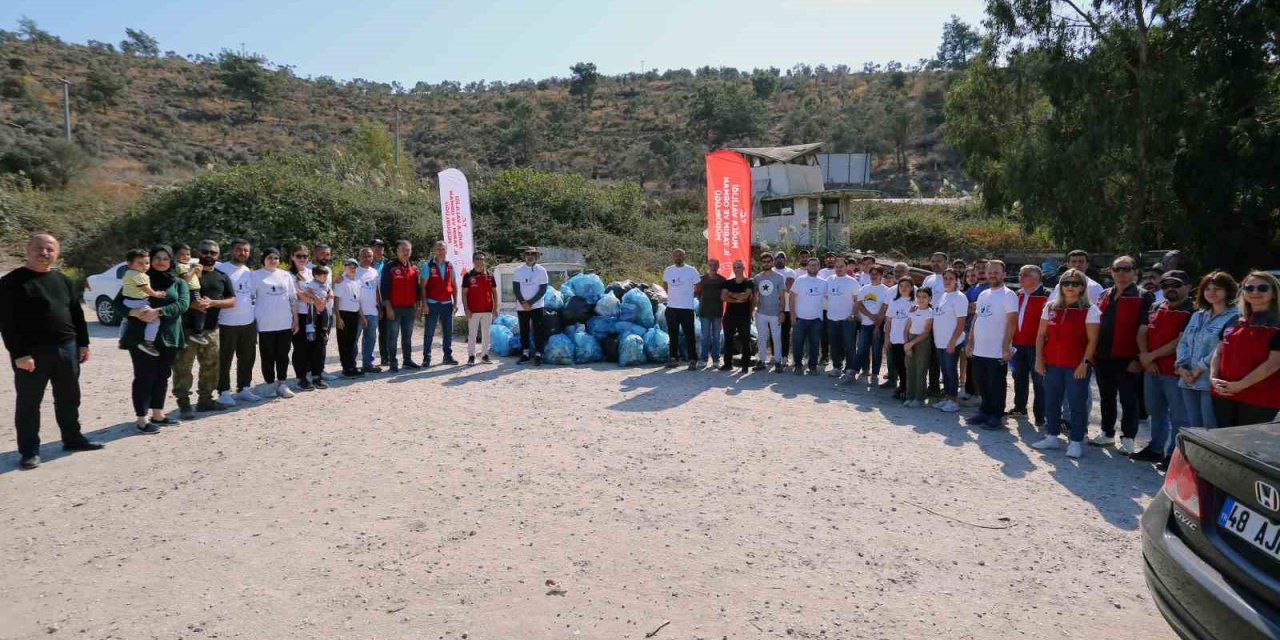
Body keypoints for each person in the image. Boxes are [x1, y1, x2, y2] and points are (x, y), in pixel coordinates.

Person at [0, 233, 103, 469]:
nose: (44, 253)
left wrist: (83, 343)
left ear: (56, 253)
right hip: (31, 354)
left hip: (67, 348)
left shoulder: (62, 280)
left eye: (50, 249)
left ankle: (72, 438)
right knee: (29, 403)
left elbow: (76, 313)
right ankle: (29, 451)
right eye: (39, 248)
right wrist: (19, 354)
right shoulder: (11, 283)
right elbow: (7, 323)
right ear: (28, 249)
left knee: (69, 397)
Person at [1030, 268, 1100, 459]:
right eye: (1066, 283)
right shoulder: (1050, 307)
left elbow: (1093, 340)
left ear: (1082, 287)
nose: (1070, 287)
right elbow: (1041, 335)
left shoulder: (1090, 310)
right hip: (1052, 364)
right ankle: (1052, 436)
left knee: (1077, 404)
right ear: (1060, 285)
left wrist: (1084, 364)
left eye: (1075, 283)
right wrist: (1038, 359)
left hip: (1076, 366)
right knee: (1051, 401)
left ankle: (1076, 441)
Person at [120, 245, 189, 433]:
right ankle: (142, 419)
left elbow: (182, 304)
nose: (161, 261)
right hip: (141, 338)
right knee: (144, 376)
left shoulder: (178, 282)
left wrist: (158, 312)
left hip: (169, 337)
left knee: (162, 375)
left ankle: (158, 414)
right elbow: (118, 303)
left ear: (171, 261)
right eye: (156, 257)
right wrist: (134, 312)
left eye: (165, 258)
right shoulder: (138, 278)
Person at [1091, 256, 1153, 453]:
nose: (1121, 273)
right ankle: (1107, 433)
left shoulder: (1144, 296)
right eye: (1117, 269)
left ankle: (1128, 437)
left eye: (1126, 269)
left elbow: (1146, 331)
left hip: (1128, 358)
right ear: (1111, 272)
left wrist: (1138, 358)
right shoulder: (1104, 295)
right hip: (1103, 356)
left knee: (1129, 400)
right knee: (1106, 397)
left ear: (1135, 272)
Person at [1131, 270, 1195, 464]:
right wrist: (1145, 358)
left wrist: (1150, 356)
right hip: (1151, 369)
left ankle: (1175, 456)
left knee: (1179, 416)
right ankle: (1156, 448)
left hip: (1175, 371)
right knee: (1155, 411)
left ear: (1188, 287)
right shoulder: (1156, 306)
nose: (1170, 289)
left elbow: (1180, 341)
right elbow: (1142, 332)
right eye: (1166, 285)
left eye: (1176, 285)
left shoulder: (1193, 310)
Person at [172, 240, 235, 419]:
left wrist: (213, 302)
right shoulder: (184, 272)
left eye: (213, 253)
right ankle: (184, 404)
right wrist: (192, 304)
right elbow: (173, 295)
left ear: (218, 256)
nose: (209, 255)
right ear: (198, 253)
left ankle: (205, 401)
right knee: (183, 368)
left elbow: (232, 301)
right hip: (187, 330)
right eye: (205, 251)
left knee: (211, 367)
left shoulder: (222, 276)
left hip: (211, 330)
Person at [1210, 271, 1280, 427]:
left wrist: (1240, 385)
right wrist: (1213, 378)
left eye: (1262, 288)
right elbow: (1218, 352)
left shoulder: (1277, 323)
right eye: (1249, 288)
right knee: (1225, 443)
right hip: (1224, 394)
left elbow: (1273, 364)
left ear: (1274, 293)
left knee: (1250, 449)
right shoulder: (1234, 320)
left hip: (1258, 398)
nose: (1255, 292)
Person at [1174, 271, 1239, 431]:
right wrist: (1181, 367)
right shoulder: (1197, 315)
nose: (1211, 292)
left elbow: (1222, 347)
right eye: (1207, 288)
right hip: (1188, 379)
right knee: (1194, 427)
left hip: (1209, 381)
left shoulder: (1236, 316)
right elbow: (1183, 343)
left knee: (1211, 428)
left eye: (1217, 288)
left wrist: (1199, 369)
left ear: (1228, 291)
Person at [966, 260, 1019, 430]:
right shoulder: (983, 294)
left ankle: (996, 414)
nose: (992, 274)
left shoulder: (1009, 294)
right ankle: (984, 410)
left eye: (996, 272)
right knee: (981, 382)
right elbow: (976, 318)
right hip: (980, 348)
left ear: (1003, 274)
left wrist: (1005, 347)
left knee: (996, 383)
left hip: (997, 350)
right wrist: (970, 342)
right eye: (990, 272)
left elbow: (1012, 322)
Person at [215, 238, 260, 407]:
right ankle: (223, 391)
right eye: (239, 250)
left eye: (246, 250)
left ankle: (244, 389)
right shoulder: (221, 269)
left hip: (248, 322)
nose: (242, 253)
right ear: (232, 251)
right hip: (227, 322)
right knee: (225, 358)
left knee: (247, 357)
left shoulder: (249, 271)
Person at [252, 248, 298, 399]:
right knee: (267, 355)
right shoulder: (256, 275)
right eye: (270, 257)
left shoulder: (285, 275)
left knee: (283, 355)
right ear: (263, 259)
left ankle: (282, 383)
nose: (273, 260)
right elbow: (251, 299)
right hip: (265, 323)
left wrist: (295, 319)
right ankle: (269, 384)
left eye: (276, 258)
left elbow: (292, 298)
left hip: (284, 322)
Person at [1010, 265, 1049, 424]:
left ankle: (1041, 415)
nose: (1020, 277)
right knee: (1018, 377)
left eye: (1025, 275)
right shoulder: (1017, 294)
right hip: (1018, 343)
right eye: (1020, 274)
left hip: (1037, 346)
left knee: (1039, 381)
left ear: (1037, 278)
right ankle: (1020, 407)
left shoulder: (1047, 295)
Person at [118, 248, 167, 357]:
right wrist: (156, 294)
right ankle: (148, 343)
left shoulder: (129, 273)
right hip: (138, 303)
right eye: (140, 263)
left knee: (125, 320)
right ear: (130, 264)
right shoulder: (138, 275)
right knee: (154, 321)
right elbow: (145, 289)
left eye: (147, 263)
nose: (144, 266)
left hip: (128, 301)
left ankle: (122, 339)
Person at [287, 245, 324, 390]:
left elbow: (321, 288)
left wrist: (322, 300)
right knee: (301, 347)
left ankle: (316, 375)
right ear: (292, 257)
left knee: (317, 345)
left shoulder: (311, 272)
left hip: (316, 314)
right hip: (300, 315)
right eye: (299, 256)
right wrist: (316, 300)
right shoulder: (289, 275)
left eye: (305, 256)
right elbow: (299, 294)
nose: (302, 259)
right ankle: (302, 377)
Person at [381, 240, 421, 371]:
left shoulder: (413, 268)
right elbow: (384, 288)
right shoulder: (390, 267)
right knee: (392, 336)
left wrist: (418, 305)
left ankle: (407, 361)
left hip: (409, 308)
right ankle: (393, 362)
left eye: (408, 250)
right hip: (394, 308)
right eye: (403, 249)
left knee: (407, 337)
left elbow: (417, 288)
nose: (405, 252)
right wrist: (388, 307)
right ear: (397, 251)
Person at [932, 269, 968, 413]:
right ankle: (947, 397)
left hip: (952, 342)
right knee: (945, 371)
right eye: (945, 278)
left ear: (957, 280)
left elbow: (961, 323)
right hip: (940, 341)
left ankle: (953, 400)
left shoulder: (959, 298)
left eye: (950, 278)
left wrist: (952, 342)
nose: (947, 281)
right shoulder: (942, 296)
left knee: (951, 371)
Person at [420, 241, 459, 367]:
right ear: (434, 250)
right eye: (438, 249)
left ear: (446, 251)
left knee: (448, 332)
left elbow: (454, 285)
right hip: (432, 303)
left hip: (447, 303)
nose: (441, 251)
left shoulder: (450, 266)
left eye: (443, 249)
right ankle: (427, 358)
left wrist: (455, 303)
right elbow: (423, 286)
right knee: (429, 333)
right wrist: (424, 304)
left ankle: (447, 356)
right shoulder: (428, 266)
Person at [850, 265, 891, 385]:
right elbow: (859, 305)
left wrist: (877, 324)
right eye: (872, 273)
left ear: (881, 275)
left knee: (877, 350)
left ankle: (875, 374)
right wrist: (870, 315)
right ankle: (854, 371)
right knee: (862, 349)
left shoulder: (886, 290)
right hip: (866, 324)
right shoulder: (864, 289)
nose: (874, 276)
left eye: (876, 274)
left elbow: (885, 308)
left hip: (879, 324)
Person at [662, 248, 700, 370]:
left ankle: (693, 360)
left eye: (680, 255)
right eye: (676, 255)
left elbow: (698, 287)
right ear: (673, 257)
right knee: (673, 335)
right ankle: (674, 358)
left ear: (685, 256)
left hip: (686, 308)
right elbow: (665, 285)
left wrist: (690, 296)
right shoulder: (668, 270)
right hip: (671, 308)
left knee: (689, 335)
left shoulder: (691, 270)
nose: (678, 257)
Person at [789, 258, 827, 375]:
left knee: (815, 344)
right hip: (800, 318)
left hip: (816, 319)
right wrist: (792, 314)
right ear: (807, 266)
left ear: (819, 267)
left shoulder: (824, 282)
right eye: (811, 265)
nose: (813, 267)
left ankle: (812, 366)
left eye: (815, 265)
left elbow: (829, 299)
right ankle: (798, 365)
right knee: (797, 343)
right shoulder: (800, 280)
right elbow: (791, 297)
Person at [513, 247, 549, 365]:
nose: (530, 256)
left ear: (536, 256)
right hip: (522, 306)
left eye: (532, 254)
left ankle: (539, 354)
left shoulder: (542, 270)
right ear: (524, 256)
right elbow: (516, 288)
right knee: (524, 330)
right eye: (527, 254)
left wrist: (531, 302)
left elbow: (543, 289)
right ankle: (525, 354)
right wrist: (523, 302)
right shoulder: (518, 270)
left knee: (538, 330)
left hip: (537, 305)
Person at [825, 258, 860, 377]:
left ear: (846, 267)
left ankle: (850, 369)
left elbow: (857, 301)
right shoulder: (829, 280)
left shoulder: (852, 282)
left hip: (847, 320)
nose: (839, 268)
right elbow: (826, 297)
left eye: (841, 266)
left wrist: (852, 315)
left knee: (849, 345)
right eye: (837, 266)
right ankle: (836, 367)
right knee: (834, 344)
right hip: (832, 318)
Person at [461, 251, 497, 365]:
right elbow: (464, 293)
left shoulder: (490, 275)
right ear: (473, 260)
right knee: (472, 334)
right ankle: (471, 356)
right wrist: (466, 309)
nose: (479, 261)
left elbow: (494, 292)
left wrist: (495, 307)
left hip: (487, 309)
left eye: (482, 259)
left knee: (486, 334)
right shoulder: (468, 275)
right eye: (477, 259)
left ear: (485, 261)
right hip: (473, 311)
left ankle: (484, 355)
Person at [752, 254, 786, 373]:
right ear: (761, 263)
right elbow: (755, 296)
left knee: (776, 338)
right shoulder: (757, 278)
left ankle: (778, 361)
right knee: (761, 338)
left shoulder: (779, 277)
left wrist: (782, 312)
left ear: (772, 262)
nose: (766, 263)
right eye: (764, 261)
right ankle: (761, 361)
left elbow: (782, 297)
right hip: (761, 312)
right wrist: (753, 310)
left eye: (768, 261)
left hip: (775, 313)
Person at [720, 259, 755, 372]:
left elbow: (745, 296)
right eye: (734, 267)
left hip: (744, 316)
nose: (736, 269)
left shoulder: (749, 282)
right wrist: (736, 299)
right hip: (729, 315)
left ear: (743, 268)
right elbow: (723, 297)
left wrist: (731, 294)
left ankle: (745, 365)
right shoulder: (728, 282)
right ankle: (727, 364)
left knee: (745, 340)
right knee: (728, 340)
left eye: (739, 267)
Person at [172, 243, 211, 346]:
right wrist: (193, 269)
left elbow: (197, 277)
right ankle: (197, 332)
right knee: (201, 309)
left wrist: (198, 271)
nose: (186, 256)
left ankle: (190, 333)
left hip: (194, 290)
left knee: (194, 311)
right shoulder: (181, 266)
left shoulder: (187, 266)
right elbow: (185, 279)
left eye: (188, 254)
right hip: (191, 291)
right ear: (175, 255)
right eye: (182, 254)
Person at [333, 259, 365, 377]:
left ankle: (352, 366)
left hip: (354, 314)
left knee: (352, 342)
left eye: (354, 266)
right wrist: (338, 318)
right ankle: (346, 368)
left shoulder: (358, 281)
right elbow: (336, 300)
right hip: (343, 314)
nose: (352, 268)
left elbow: (358, 300)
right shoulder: (341, 281)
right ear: (345, 267)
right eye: (349, 266)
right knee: (343, 342)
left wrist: (362, 316)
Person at [903, 287, 934, 407]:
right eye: (919, 296)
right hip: (910, 340)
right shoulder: (913, 310)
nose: (921, 299)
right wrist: (906, 343)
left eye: (924, 297)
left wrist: (911, 344)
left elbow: (926, 332)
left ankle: (919, 398)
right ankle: (909, 396)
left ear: (929, 298)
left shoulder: (930, 313)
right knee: (910, 369)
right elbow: (906, 328)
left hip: (922, 341)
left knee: (921, 369)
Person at [885, 277, 915, 399]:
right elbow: (888, 320)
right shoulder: (893, 301)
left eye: (907, 286)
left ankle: (910, 389)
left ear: (912, 288)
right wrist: (887, 337)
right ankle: (902, 387)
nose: (904, 288)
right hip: (895, 338)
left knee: (909, 366)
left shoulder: (915, 302)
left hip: (909, 339)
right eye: (901, 285)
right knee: (899, 365)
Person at [354, 248, 383, 373]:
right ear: (360, 257)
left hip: (373, 311)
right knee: (354, 339)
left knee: (370, 338)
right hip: (357, 312)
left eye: (369, 256)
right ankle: (351, 364)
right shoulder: (354, 271)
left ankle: (368, 363)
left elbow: (377, 290)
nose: (367, 259)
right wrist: (359, 313)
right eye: (364, 256)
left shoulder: (374, 272)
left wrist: (379, 307)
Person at [695, 258, 725, 370]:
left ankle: (716, 360)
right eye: (711, 265)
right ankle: (703, 359)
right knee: (705, 337)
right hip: (704, 312)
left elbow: (724, 294)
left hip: (717, 313)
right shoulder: (701, 279)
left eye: (715, 265)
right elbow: (697, 293)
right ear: (708, 266)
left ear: (718, 266)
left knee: (716, 337)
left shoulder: (722, 280)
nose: (713, 267)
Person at [772, 251, 796, 365]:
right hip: (772, 307)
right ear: (774, 260)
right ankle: (774, 355)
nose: (780, 259)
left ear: (785, 259)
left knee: (785, 334)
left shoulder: (791, 272)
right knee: (773, 333)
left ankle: (785, 356)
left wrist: (782, 288)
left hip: (786, 308)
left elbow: (791, 288)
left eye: (782, 257)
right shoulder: (770, 272)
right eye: (777, 257)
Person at [370, 239, 390, 367]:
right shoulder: (365, 263)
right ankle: (368, 360)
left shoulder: (389, 263)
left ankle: (385, 357)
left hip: (386, 301)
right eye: (376, 247)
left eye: (381, 247)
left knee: (385, 332)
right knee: (369, 333)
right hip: (369, 303)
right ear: (371, 248)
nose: (379, 249)